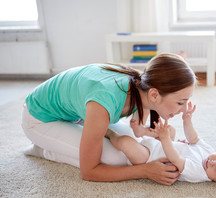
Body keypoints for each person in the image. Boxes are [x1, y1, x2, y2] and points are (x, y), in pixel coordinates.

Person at [21, 53, 196, 185]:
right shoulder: (104, 102)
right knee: (117, 159)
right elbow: (89, 173)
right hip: (40, 119)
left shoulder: (142, 87)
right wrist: (146, 171)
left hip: (75, 113)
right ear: (155, 94)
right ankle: (44, 149)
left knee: (133, 142)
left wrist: (154, 134)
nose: (184, 109)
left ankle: (66, 140)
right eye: (181, 102)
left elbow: (141, 127)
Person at [106, 102, 216, 187]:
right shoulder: (209, 151)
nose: (212, 162)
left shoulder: (198, 173)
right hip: (161, 145)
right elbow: (193, 139)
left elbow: (175, 159)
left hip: (148, 157)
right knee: (171, 130)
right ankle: (141, 132)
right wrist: (187, 121)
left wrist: (165, 139)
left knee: (125, 142)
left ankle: (110, 134)